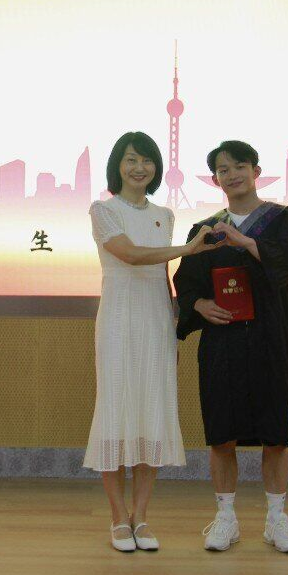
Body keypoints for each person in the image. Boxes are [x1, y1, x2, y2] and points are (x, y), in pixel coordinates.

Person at [173, 140, 288, 554]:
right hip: (223, 344)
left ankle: (276, 520)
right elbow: (187, 283)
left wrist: (244, 241)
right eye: (223, 170)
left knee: (276, 435)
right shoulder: (205, 230)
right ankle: (225, 519)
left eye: (239, 166)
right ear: (216, 179)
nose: (231, 175)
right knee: (222, 435)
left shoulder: (285, 220)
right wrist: (198, 304)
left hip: (270, 340)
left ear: (256, 171)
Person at [84, 131, 214, 553]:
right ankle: (117, 519)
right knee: (116, 411)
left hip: (156, 319)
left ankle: (141, 517)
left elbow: (161, 277)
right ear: (117, 166)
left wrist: (172, 328)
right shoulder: (103, 210)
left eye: (146, 160)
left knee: (151, 412)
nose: (139, 168)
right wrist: (188, 249)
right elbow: (132, 255)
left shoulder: (164, 214)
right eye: (131, 159)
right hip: (119, 320)